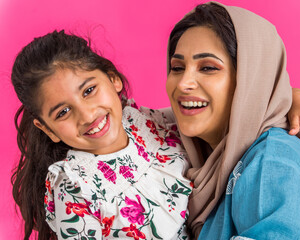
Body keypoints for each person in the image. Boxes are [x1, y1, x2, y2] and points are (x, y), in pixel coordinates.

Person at [166, 2, 300, 239]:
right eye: (177, 67)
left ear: (250, 78)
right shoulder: (220, 158)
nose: (183, 83)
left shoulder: (272, 163)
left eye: (207, 67)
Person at [11, 30, 192, 240]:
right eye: (63, 112)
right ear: (48, 129)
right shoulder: (74, 188)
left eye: (89, 91)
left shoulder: (147, 123)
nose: (87, 115)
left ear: (113, 78)